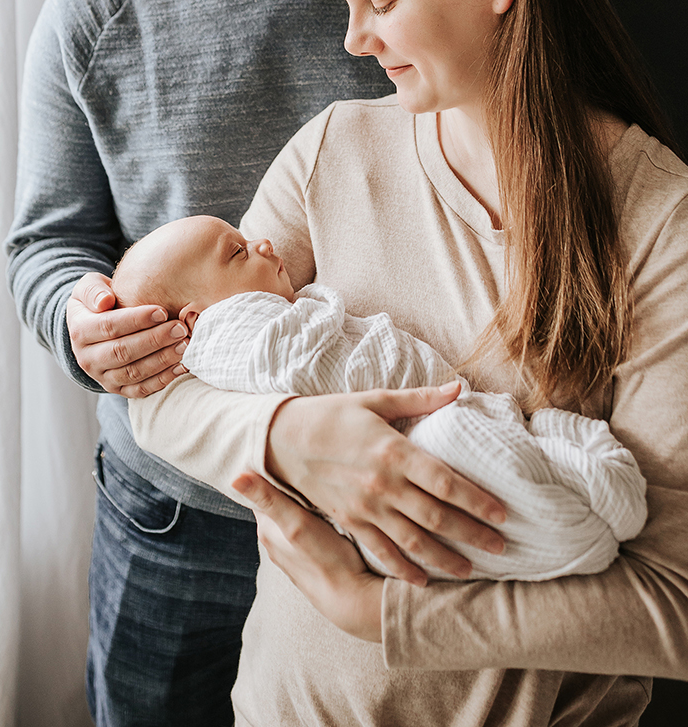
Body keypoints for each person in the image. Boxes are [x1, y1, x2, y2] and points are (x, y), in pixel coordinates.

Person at [128, 0, 688, 727]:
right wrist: (292, 437)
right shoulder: (332, 151)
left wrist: (372, 609)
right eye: (345, 3)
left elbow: (683, 615)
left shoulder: (672, 230)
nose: (355, 41)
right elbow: (168, 385)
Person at [5, 0, 396, 727]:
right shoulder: (90, 10)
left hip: (381, 492)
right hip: (174, 519)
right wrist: (80, 322)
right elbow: (44, 245)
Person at [114, 212, 649, 583]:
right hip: (416, 445)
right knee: (457, 438)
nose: (265, 243)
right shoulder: (229, 336)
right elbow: (169, 393)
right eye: (238, 250)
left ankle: (582, 497)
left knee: (522, 431)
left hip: (458, 415)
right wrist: (286, 432)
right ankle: (578, 531)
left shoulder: (260, 307)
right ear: (195, 320)